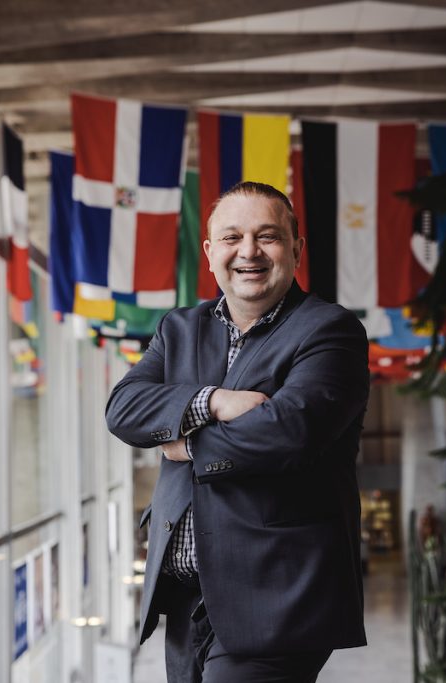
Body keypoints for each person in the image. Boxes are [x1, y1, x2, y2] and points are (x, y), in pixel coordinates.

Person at [105, 181, 370, 682]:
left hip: (275, 595)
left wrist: (184, 442)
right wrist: (214, 401)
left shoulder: (329, 330)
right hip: (187, 600)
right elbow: (124, 407)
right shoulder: (179, 329)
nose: (248, 251)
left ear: (296, 249)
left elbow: (289, 431)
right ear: (209, 253)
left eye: (267, 236)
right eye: (231, 238)